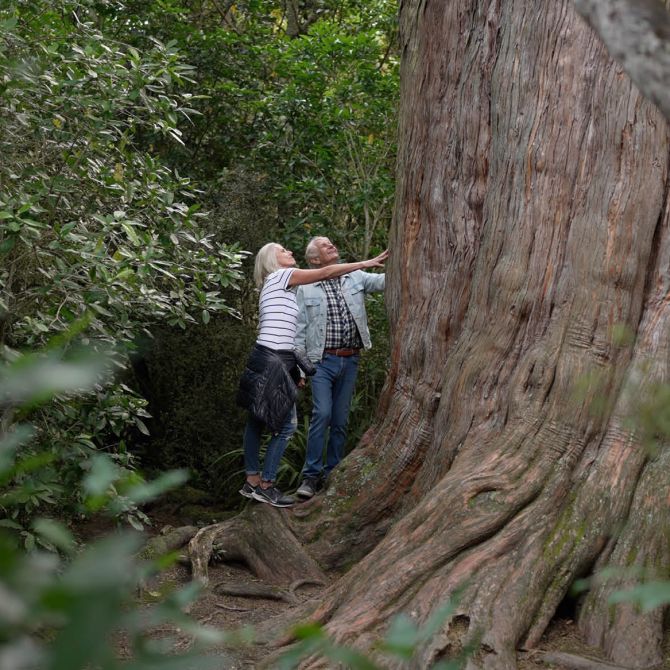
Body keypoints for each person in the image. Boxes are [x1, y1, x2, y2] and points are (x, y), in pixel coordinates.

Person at [236, 242, 388, 508]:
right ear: (273, 260)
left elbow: (290, 332)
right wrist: (364, 263)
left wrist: (297, 367)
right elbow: (326, 273)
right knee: (286, 426)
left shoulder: (280, 286)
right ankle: (267, 485)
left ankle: (251, 481)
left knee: (257, 421)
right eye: (284, 251)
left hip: (268, 355)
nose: (290, 253)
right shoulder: (281, 276)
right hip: (273, 359)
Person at [294, 237, 386, 500]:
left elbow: (384, 283)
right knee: (322, 413)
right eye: (325, 246)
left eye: (331, 243)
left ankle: (332, 472)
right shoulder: (306, 287)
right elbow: (299, 332)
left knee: (340, 420)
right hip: (321, 361)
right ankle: (311, 477)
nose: (331, 245)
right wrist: (300, 371)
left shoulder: (354, 276)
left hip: (350, 359)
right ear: (314, 260)